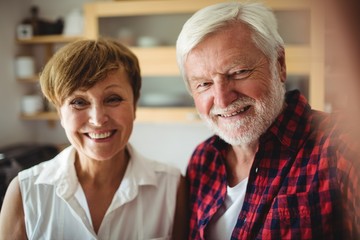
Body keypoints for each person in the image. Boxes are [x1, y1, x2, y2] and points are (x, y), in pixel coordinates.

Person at [176, 2, 359, 239]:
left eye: (239, 72)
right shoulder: (203, 160)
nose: (222, 100)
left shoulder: (340, 143)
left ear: (280, 64)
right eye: (204, 84)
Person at [0, 38, 188, 239]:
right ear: (60, 113)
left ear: (134, 105)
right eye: (79, 102)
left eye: (113, 99)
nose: (98, 120)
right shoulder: (24, 192)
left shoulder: (172, 186)